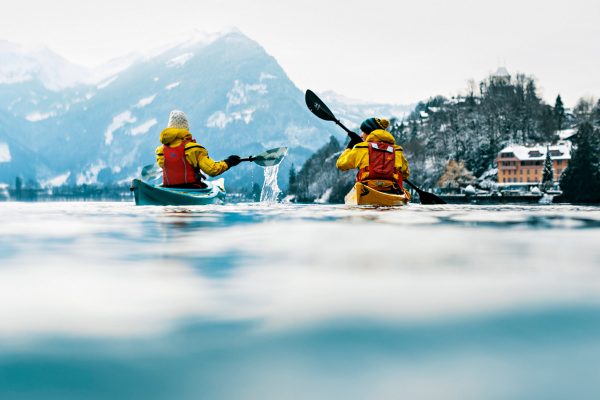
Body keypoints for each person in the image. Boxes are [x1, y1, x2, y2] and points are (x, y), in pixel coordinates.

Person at [155, 110, 241, 188]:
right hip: (192, 188)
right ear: (185, 128)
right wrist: (229, 162)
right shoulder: (194, 149)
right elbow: (213, 170)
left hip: (168, 189)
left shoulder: (160, 151)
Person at [336, 117, 411, 195]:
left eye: (363, 132)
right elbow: (405, 175)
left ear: (369, 132)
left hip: (366, 189)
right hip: (391, 189)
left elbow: (340, 164)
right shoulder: (397, 150)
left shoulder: (361, 148)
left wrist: (350, 147)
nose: (361, 136)